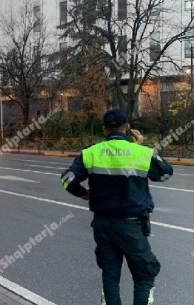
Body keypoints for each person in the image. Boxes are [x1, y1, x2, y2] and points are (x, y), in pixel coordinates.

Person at [60, 109, 173, 305]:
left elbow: (67, 179)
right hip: (132, 227)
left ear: (104, 129)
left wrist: (83, 193)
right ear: (128, 128)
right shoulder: (141, 153)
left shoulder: (91, 152)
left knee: (110, 276)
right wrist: (143, 146)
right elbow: (165, 173)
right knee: (144, 275)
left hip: (103, 225)